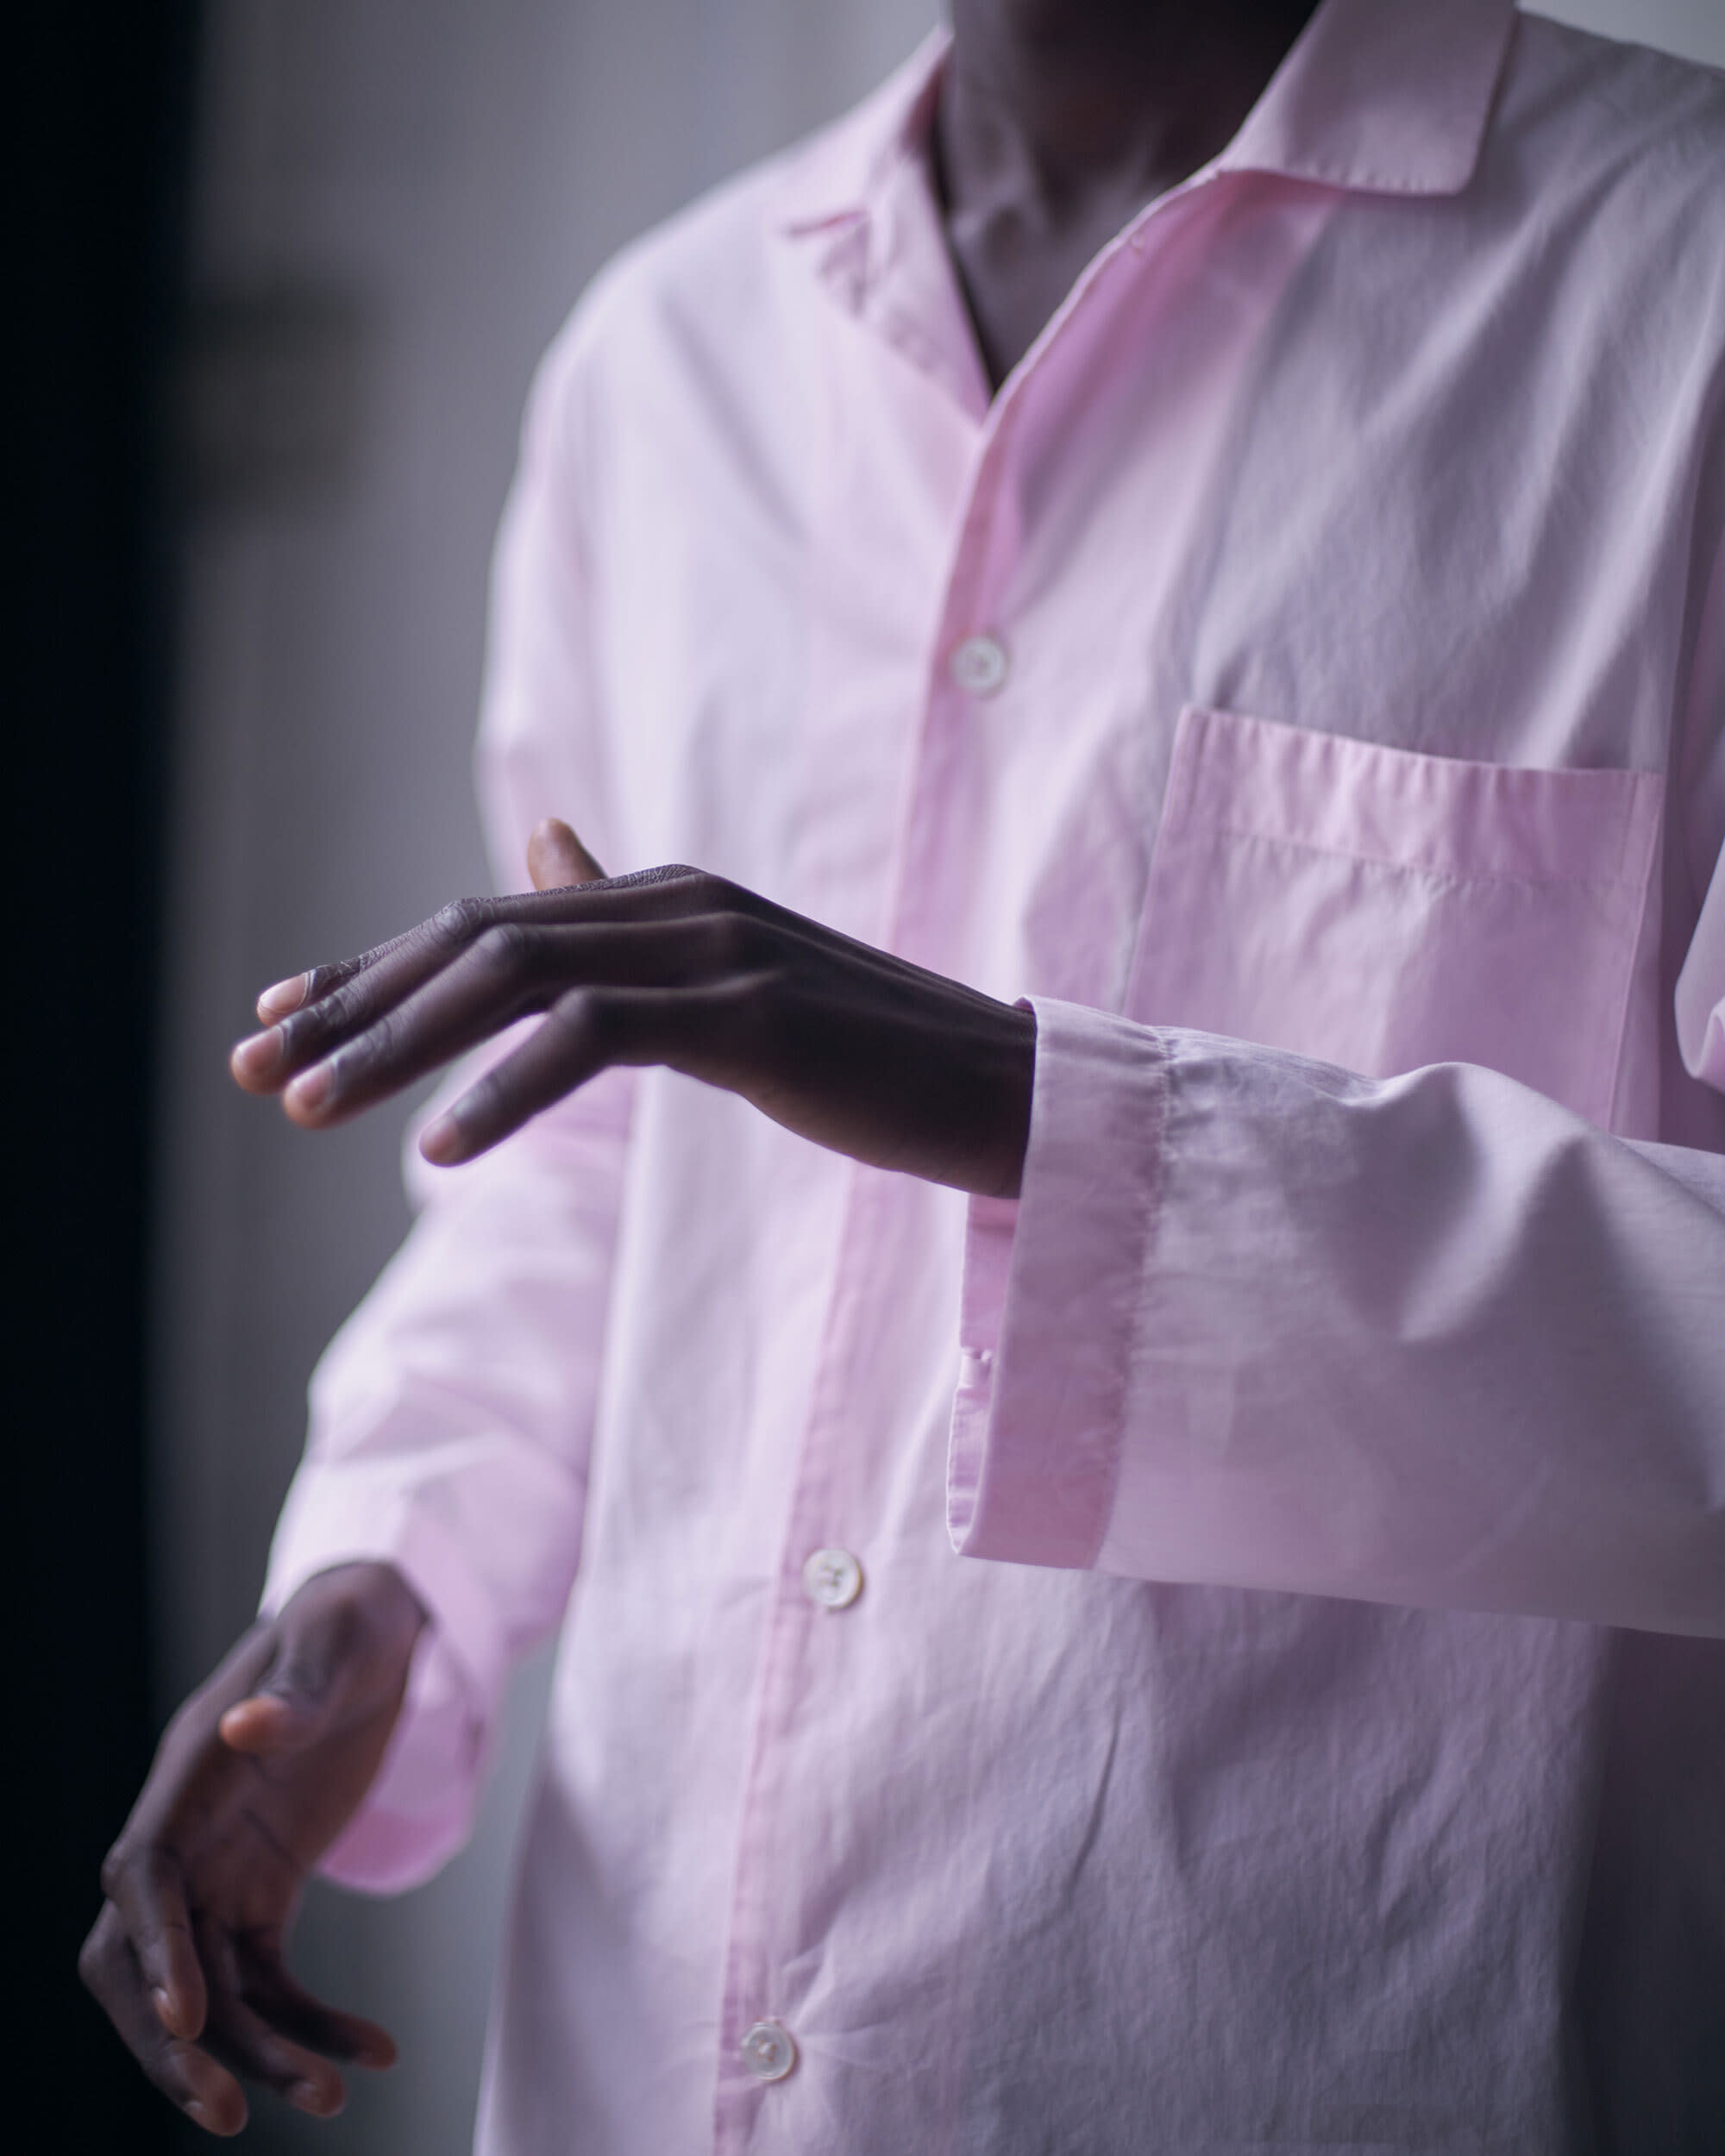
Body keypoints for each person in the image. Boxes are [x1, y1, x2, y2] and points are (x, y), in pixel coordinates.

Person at [83, 0, 1725, 2147]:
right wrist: (393, 1570)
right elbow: (571, 1179)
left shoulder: (1680, 296)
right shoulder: (664, 364)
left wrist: (1033, 1109)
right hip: (642, 2059)